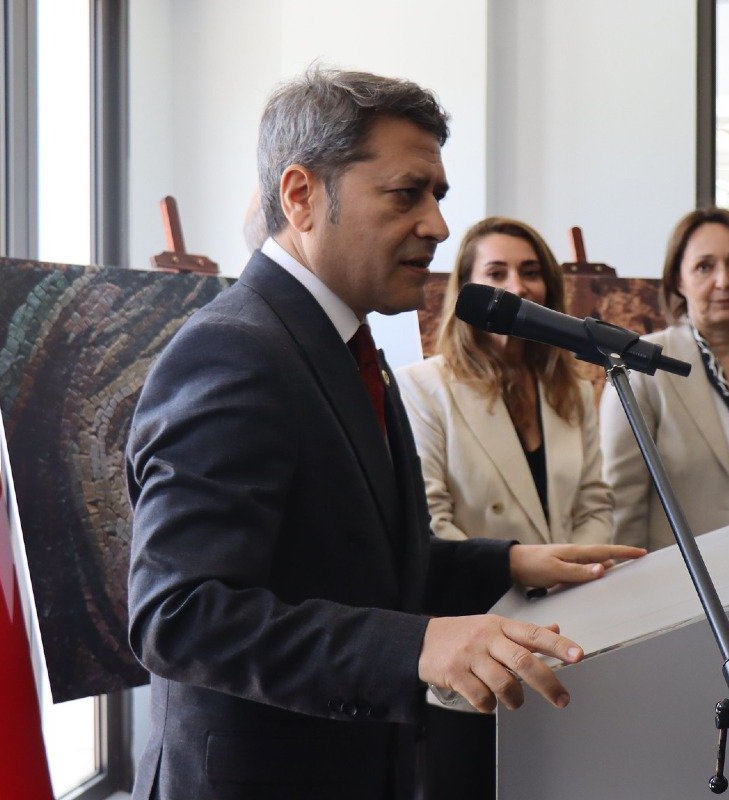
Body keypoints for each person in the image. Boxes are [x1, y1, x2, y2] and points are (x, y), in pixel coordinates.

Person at [125, 67, 643, 800]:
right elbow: (179, 616)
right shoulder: (234, 351)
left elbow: (354, 561)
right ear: (301, 196)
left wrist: (510, 563)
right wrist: (419, 644)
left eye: (438, 197)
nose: (436, 225)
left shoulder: (345, 349)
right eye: (407, 193)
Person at [396, 216, 613, 798]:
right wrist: (523, 570)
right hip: (476, 650)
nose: (518, 285)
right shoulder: (424, 388)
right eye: (497, 272)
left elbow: (596, 501)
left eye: (531, 271)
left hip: (567, 638)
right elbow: (430, 526)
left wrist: (579, 574)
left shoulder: (572, 387)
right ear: (467, 290)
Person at [600, 207, 729, 551]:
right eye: (704, 266)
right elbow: (622, 506)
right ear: (678, 280)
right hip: (687, 589)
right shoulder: (641, 367)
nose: (724, 281)